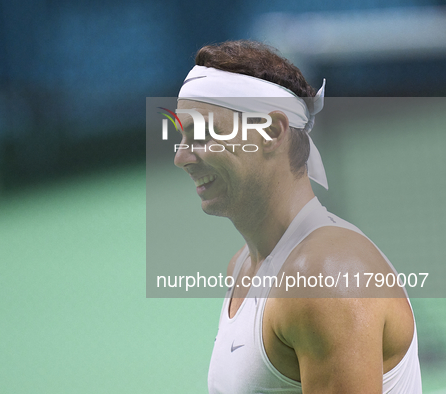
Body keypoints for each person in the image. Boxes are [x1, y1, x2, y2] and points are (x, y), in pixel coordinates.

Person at [174, 40, 422, 393]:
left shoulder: (325, 275)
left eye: (202, 133)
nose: (181, 157)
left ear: (272, 132)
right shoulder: (243, 265)